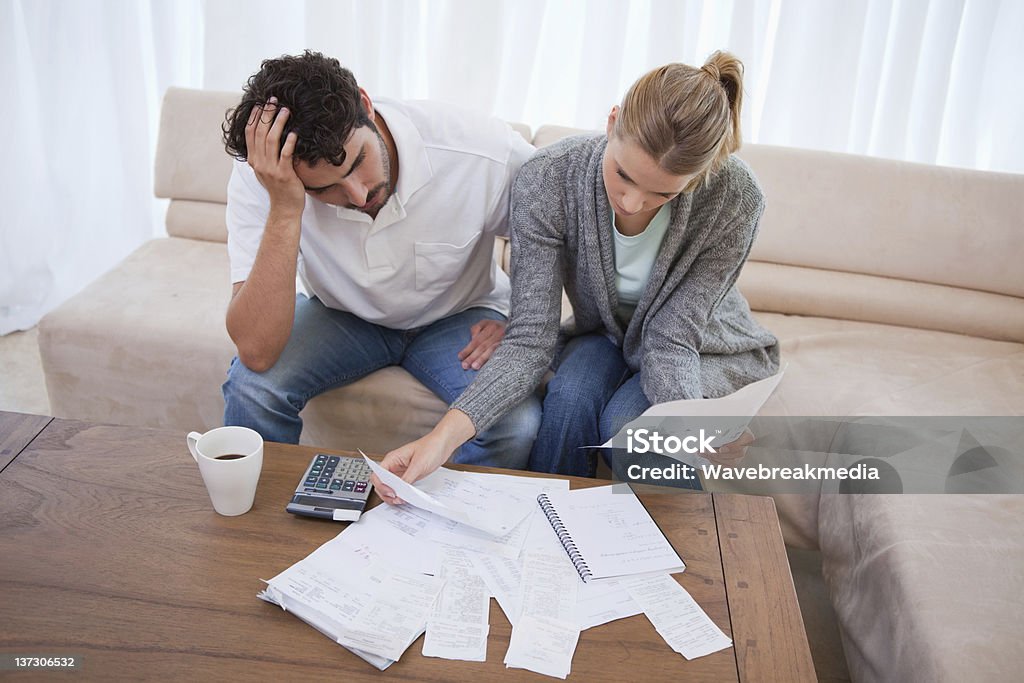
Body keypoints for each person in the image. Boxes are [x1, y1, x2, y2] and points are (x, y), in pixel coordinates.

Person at [374, 51, 779, 498]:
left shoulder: (736, 198)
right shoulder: (548, 178)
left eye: (661, 193)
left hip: (701, 348)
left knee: (632, 430)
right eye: (622, 174)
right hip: (604, 335)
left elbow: (672, 338)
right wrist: (439, 440)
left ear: (700, 174)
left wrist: (691, 428)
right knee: (567, 402)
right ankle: (545, 537)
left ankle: (672, 558)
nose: (630, 202)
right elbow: (530, 340)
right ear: (611, 122)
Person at [220, 51, 540, 468]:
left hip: (458, 316)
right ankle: (267, 531)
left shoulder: (482, 151)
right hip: (342, 317)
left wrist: (521, 322)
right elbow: (257, 352)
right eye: (324, 189)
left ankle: (456, 531)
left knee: (514, 423)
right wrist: (285, 207)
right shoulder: (264, 175)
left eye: (357, 162)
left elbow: (566, 235)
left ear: (366, 105)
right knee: (252, 388)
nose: (357, 195)